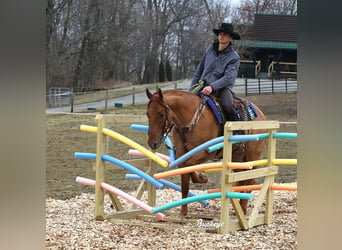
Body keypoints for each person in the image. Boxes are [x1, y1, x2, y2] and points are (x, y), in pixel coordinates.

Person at [190, 22, 241, 124]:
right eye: (220, 34)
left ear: (230, 38)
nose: (221, 36)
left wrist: (212, 87)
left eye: (225, 35)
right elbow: (199, 71)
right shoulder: (209, 51)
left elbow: (228, 77)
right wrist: (191, 90)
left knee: (227, 105)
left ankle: (236, 131)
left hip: (222, 90)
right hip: (202, 86)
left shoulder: (234, 57)